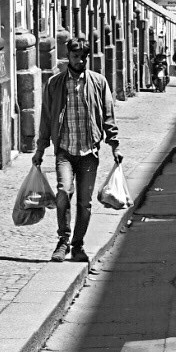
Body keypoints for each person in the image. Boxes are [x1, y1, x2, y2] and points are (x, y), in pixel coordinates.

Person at [33, 36, 121, 264]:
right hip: (65, 150)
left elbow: (108, 115)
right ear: (67, 57)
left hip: (89, 152)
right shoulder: (55, 84)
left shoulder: (98, 82)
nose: (80, 61)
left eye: (83, 57)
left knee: (85, 202)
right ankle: (63, 241)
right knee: (64, 191)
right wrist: (40, 149)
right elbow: (46, 118)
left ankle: (78, 245)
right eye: (75, 56)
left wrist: (114, 144)